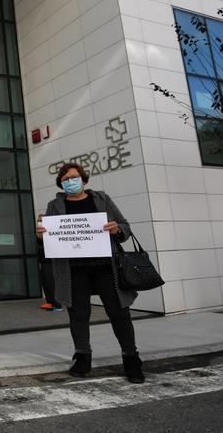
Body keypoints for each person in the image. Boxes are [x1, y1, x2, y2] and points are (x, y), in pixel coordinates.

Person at [35, 163, 144, 383]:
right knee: (78, 315)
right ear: (61, 183)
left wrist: (117, 229)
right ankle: (82, 357)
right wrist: (41, 235)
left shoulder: (102, 199)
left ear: (84, 180)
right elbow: (48, 240)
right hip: (74, 270)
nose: (70, 182)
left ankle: (131, 357)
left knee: (119, 313)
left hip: (107, 268)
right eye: (65, 179)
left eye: (74, 177)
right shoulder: (55, 205)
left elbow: (124, 227)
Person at [36, 214, 61, 312]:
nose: (39, 222)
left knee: (51, 284)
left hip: (50, 262)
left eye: (41, 220)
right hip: (43, 262)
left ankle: (57, 305)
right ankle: (49, 302)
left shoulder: (51, 232)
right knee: (45, 284)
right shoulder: (39, 233)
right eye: (38, 220)